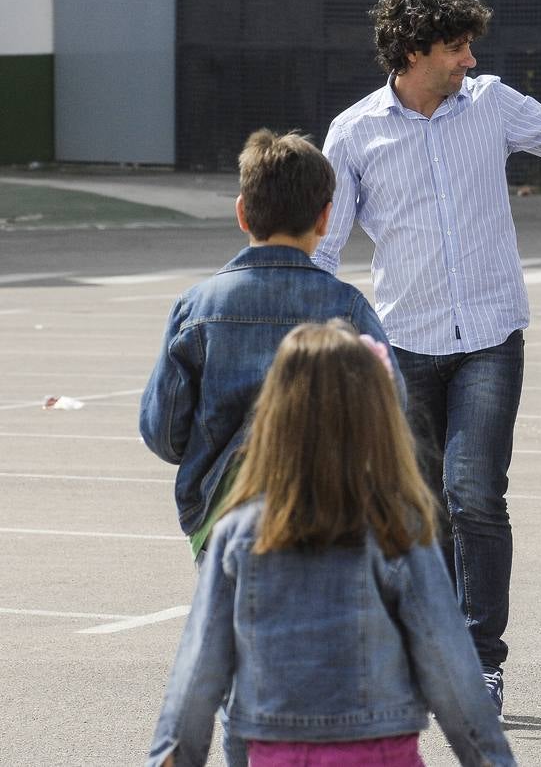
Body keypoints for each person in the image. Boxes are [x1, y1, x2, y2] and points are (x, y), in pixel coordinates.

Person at [312, 0, 541, 715]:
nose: (469, 59)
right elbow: (325, 251)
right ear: (415, 49)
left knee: (476, 496)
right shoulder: (354, 132)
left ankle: (482, 662)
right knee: (424, 506)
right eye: (456, 47)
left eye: (468, 46)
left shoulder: (490, 104)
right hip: (407, 345)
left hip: (491, 336)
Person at [144, 321, 515, 767]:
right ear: (377, 417)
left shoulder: (238, 533)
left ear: (274, 416)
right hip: (380, 751)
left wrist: (172, 754)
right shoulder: (398, 530)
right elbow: (452, 670)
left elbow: (199, 672)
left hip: (275, 751)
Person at [140, 128, 399, 562]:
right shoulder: (348, 308)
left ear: (242, 213)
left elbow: (162, 434)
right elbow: (393, 410)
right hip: (326, 515)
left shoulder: (196, 308)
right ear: (325, 218)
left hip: (222, 516)